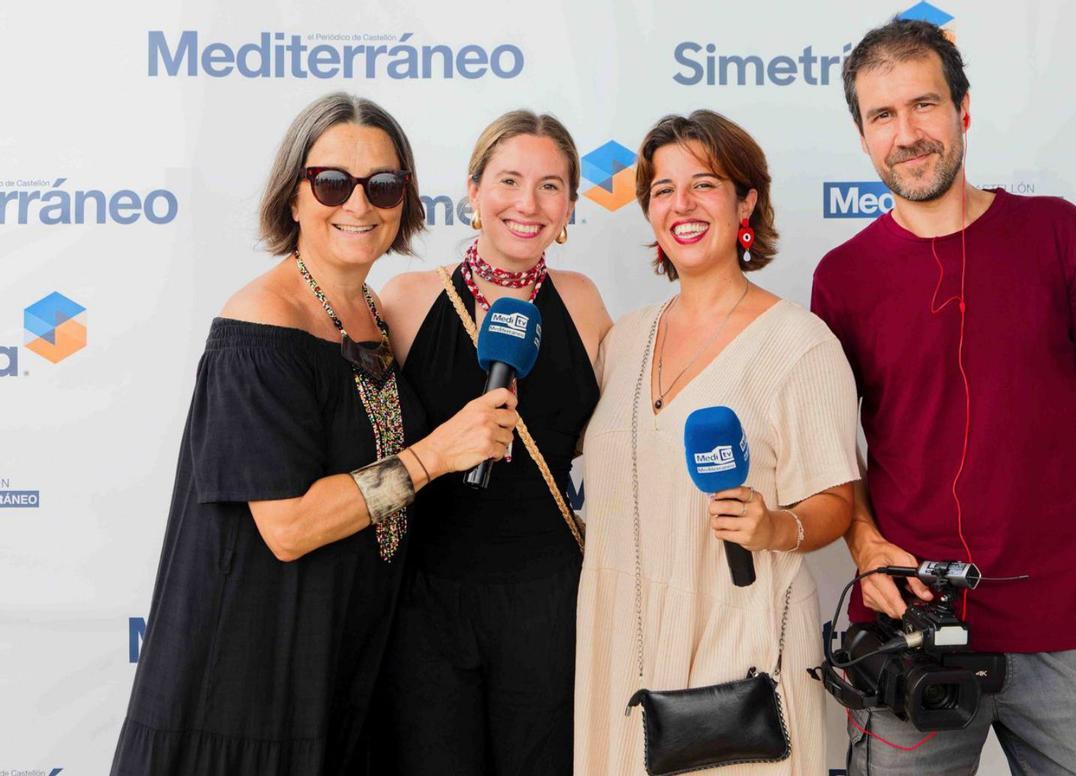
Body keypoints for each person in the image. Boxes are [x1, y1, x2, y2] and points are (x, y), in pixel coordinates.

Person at [109, 92, 518, 776]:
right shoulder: (261, 328)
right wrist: (434, 455)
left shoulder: (369, 315)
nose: (358, 205)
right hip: (250, 683)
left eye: (382, 185)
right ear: (292, 198)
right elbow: (289, 525)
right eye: (332, 182)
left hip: (337, 666)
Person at [811, 18, 1076, 776]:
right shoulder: (841, 277)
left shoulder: (1058, 233)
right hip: (909, 630)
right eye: (883, 116)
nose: (907, 133)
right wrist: (867, 546)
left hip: (1064, 632)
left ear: (964, 110)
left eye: (924, 105)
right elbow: (831, 450)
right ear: (863, 135)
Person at [574, 110, 859, 775]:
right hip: (621, 648)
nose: (683, 205)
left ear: (746, 200)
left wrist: (775, 525)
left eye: (704, 184)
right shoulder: (622, 340)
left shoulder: (800, 344)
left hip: (741, 649)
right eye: (664, 189)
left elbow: (836, 503)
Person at [377, 110, 611, 775]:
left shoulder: (585, 302)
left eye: (550, 186)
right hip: (427, 599)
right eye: (509, 180)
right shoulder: (406, 299)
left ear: (569, 205)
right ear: (474, 191)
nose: (527, 204)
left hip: (549, 598)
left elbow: (626, 443)